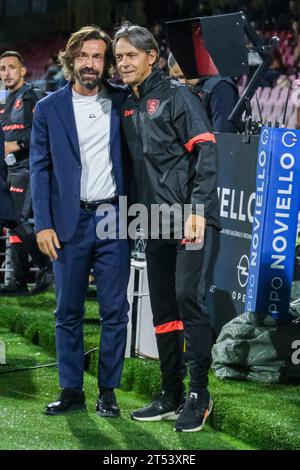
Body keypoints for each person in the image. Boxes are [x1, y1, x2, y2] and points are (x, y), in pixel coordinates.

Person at [114, 22, 220, 432]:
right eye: (119, 56)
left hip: (189, 217)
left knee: (186, 298)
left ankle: (199, 393)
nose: (123, 63)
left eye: (131, 55)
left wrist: (197, 209)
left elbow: (206, 150)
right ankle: (170, 392)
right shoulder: (127, 105)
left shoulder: (178, 96)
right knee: (163, 308)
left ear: (151, 57)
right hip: (152, 219)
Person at [30, 26, 130, 417]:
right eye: (84, 56)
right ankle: (71, 389)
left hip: (113, 217)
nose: (91, 63)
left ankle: (108, 390)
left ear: (106, 64)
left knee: (114, 311)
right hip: (67, 224)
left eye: (98, 57)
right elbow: (39, 168)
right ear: (71, 60)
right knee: (67, 312)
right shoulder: (48, 108)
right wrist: (42, 223)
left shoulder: (123, 101)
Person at [0, 51, 53, 296]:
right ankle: (18, 281)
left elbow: (44, 133)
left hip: (30, 168)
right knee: (13, 222)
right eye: (2, 69)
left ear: (23, 70)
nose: (6, 72)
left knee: (18, 218)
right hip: (11, 170)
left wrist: (19, 146)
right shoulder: (5, 102)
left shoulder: (33, 96)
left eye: (11, 67)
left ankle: (47, 266)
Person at [168, 52, 239, 133]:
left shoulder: (220, 87)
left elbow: (223, 136)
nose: (182, 82)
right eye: (177, 78)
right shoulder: (190, 88)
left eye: (182, 76)